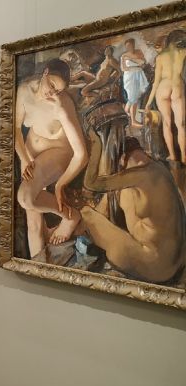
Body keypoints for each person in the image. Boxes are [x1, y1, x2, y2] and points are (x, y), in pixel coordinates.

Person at [81, 132, 186, 283]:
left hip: (154, 264)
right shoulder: (158, 168)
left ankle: (92, 239)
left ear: (124, 158)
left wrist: (96, 145)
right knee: (119, 192)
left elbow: (91, 183)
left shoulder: (141, 174)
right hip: (174, 263)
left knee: (86, 213)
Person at [15, 58, 88, 259]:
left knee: (25, 198)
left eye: (58, 90)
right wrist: (24, 158)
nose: (53, 93)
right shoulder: (24, 90)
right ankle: (38, 265)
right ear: (45, 72)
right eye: (52, 85)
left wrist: (60, 185)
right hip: (29, 152)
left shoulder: (62, 105)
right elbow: (15, 130)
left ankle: (70, 215)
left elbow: (81, 154)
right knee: (33, 223)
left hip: (57, 152)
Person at [145, 29, 186, 163]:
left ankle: (173, 156)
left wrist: (148, 103)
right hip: (177, 86)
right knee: (181, 125)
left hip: (163, 88)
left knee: (167, 124)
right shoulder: (183, 52)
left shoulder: (160, 57)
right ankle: (184, 157)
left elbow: (156, 83)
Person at [121, 38, 149, 127]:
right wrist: (136, 65)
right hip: (129, 77)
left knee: (135, 96)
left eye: (130, 45)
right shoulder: (123, 56)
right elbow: (123, 68)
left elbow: (143, 63)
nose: (129, 47)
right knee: (133, 97)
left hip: (139, 75)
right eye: (127, 46)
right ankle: (133, 121)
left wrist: (132, 59)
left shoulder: (139, 52)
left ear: (133, 45)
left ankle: (126, 111)